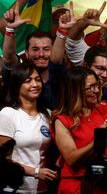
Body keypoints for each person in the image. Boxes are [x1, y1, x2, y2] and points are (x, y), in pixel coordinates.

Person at [52, 67, 107, 194]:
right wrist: (97, 139)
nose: (96, 91)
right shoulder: (62, 120)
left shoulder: (104, 109)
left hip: (103, 183)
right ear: (75, 90)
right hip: (76, 185)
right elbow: (71, 158)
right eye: (90, 87)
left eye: (97, 86)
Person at [0, 62, 58, 193]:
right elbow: (3, 159)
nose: (35, 85)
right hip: (14, 189)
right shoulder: (8, 114)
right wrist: (35, 172)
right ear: (17, 85)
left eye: (38, 80)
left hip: (42, 189)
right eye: (28, 80)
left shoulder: (47, 115)